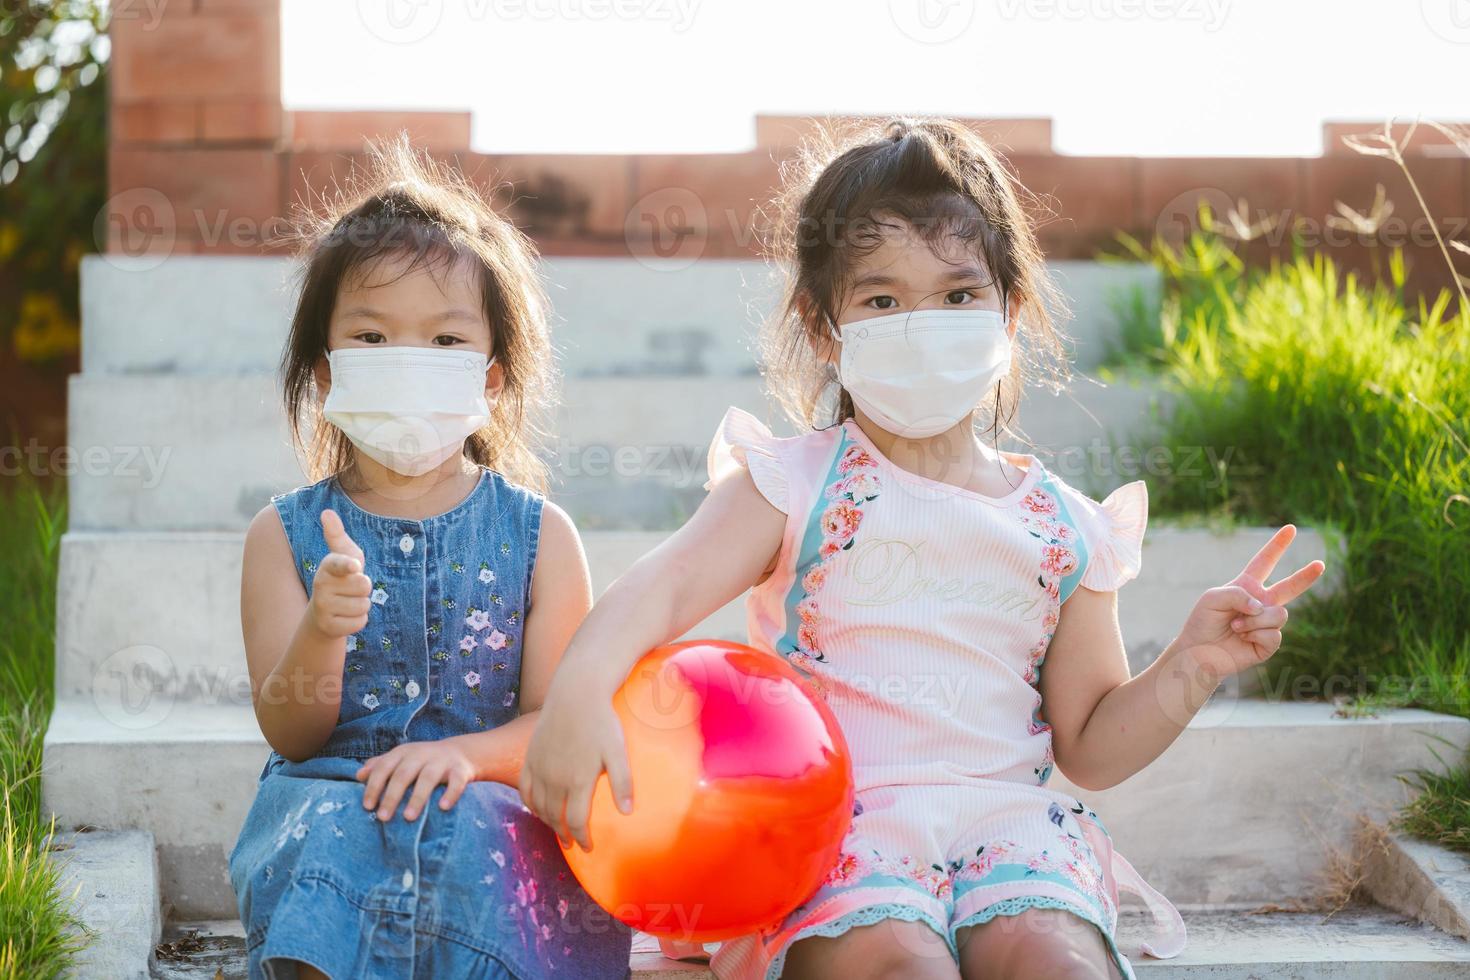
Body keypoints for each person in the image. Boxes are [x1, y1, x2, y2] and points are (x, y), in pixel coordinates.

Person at [519, 118, 1323, 980]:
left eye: (957, 294)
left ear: (1009, 312)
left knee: (1055, 963)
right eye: (881, 300)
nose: (922, 323)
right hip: (831, 828)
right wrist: (579, 686)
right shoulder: (791, 483)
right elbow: (665, 587)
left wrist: (1188, 671)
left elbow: (1091, 744)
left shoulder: (1068, 526)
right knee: (901, 966)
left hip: (1011, 831)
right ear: (825, 329)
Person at [227, 138, 633, 979]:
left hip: (482, 800)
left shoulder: (540, 536)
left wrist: (465, 757)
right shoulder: (283, 536)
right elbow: (289, 729)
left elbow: (555, 727)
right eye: (372, 337)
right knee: (326, 834)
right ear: (325, 366)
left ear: (491, 378)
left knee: (486, 832)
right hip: (334, 796)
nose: (408, 362)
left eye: (444, 341)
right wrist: (322, 629)